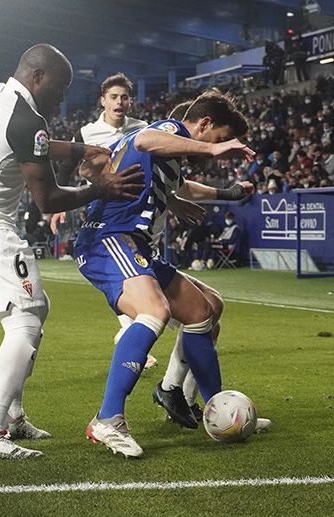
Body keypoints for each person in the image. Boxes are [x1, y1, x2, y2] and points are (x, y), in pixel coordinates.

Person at [0, 44, 144, 460]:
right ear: (38, 77)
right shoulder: (28, 119)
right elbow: (48, 200)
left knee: (35, 308)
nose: (61, 99)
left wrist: (82, 150)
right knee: (25, 320)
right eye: (60, 88)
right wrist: (99, 189)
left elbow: (33, 144)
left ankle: (12, 415)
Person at [74, 88, 257, 457]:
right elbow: (144, 139)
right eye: (220, 138)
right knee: (154, 311)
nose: (219, 149)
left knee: (203, 310)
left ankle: (216, 408)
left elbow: (181, 185)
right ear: (205, 124)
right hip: (109, 238)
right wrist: (212, 150)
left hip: (137, 244)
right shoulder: (167, 130)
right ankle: (107, 419)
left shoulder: (170, 157)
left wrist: (228, 193)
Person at [49, 73, 158, 367]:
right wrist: (59, 205)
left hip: (138, 209)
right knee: (121, 272)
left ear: (130, 101)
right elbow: (66, 168)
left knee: (138, 269)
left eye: (124, 97)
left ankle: (132, 326)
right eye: (113, 97)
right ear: (103, 101)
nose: (119, 102)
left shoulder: (142, 129)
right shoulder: (87, 133)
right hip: (104, 209)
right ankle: (132, 328)